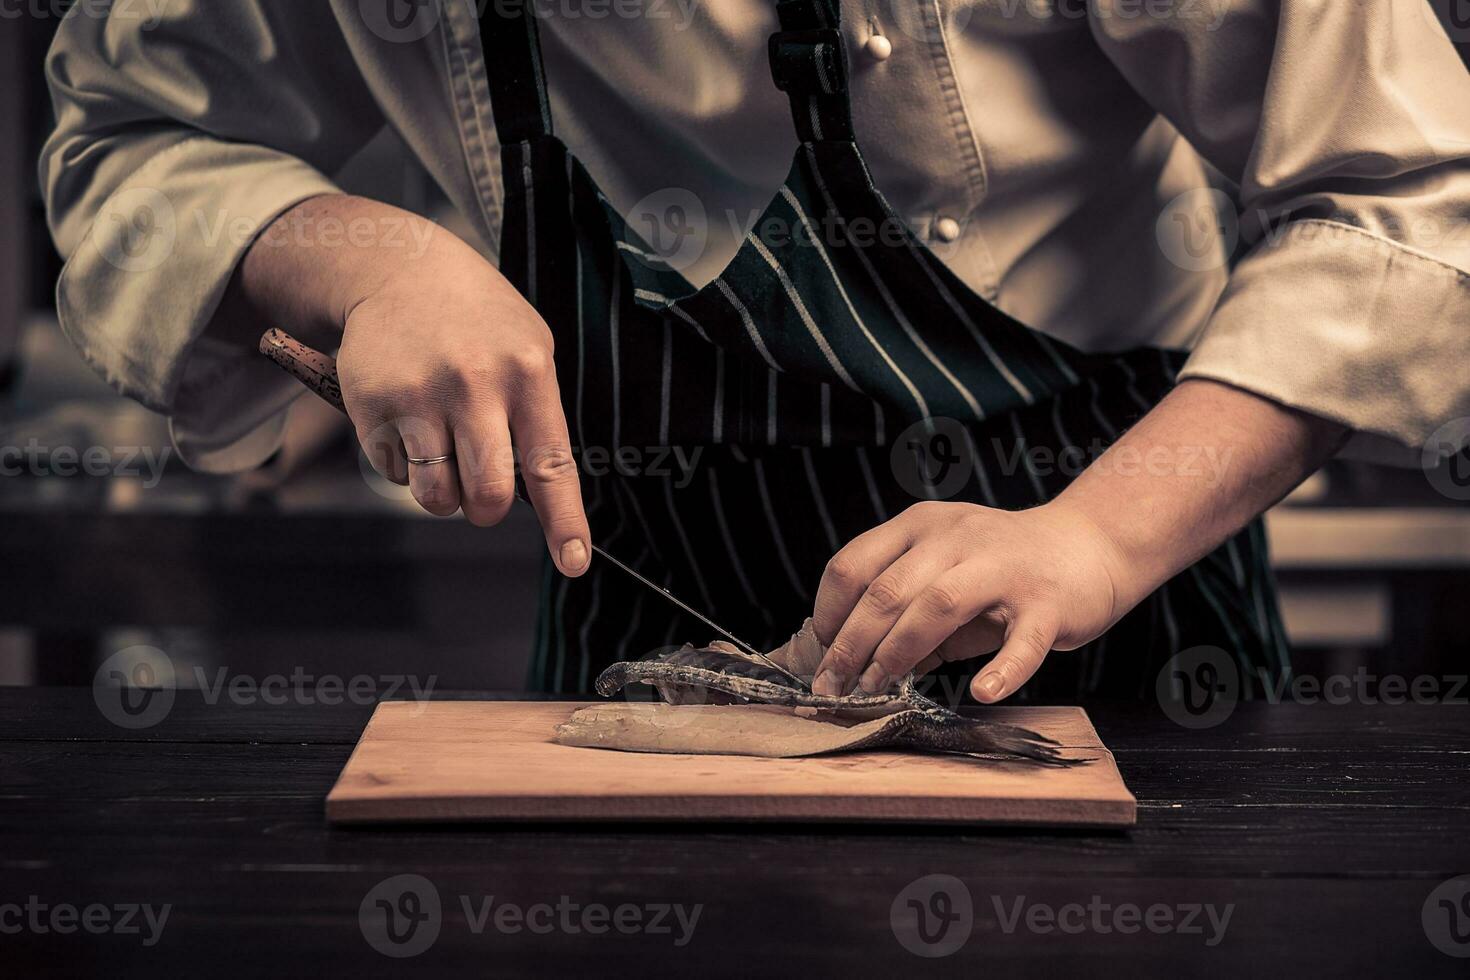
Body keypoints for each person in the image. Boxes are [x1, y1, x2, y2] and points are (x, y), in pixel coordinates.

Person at [42, 1, 1470, 703]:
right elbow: (125, 145)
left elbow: (1410, 195)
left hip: (1118, 645)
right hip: (634, 652)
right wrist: (367, 257)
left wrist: (1091, 537)